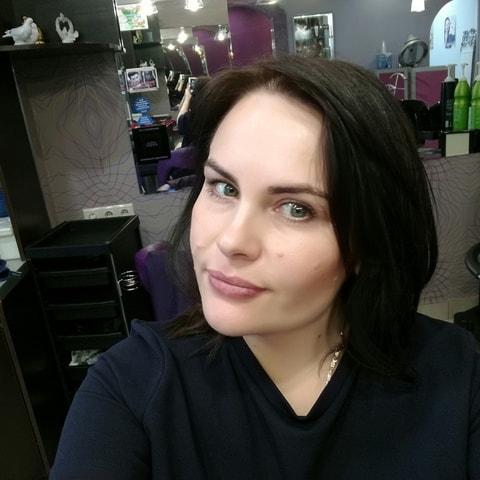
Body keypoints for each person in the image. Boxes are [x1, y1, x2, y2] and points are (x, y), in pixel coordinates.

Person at [50, 55, 480, 479]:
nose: (232, 240)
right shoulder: (131, 385)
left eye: (296, 208)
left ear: (368, 239)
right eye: (223, 187)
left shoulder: (458, 377)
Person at [176, 75, 209, 147]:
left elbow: (179, 121)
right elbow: (180, 109)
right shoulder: (215, 111)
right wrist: (186, 96)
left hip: (192, 151)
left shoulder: (190, 117)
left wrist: (187, 97)